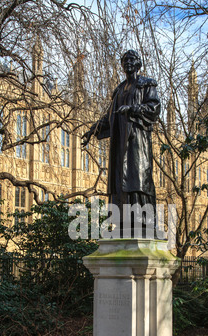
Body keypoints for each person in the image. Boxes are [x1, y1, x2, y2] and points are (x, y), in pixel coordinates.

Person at [82, 50, 161, 237]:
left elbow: (154, 108)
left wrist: (133, 109)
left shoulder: (146, 85)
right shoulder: (119, 90)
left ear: (138, 63)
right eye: (125, 60)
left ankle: (144, 224)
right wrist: (93, 130)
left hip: (137, 143)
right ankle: (125, 224)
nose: (128, 63)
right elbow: (110, 117)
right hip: (120, 144)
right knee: (120, 183)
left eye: (131, 60)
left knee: (138, 181)